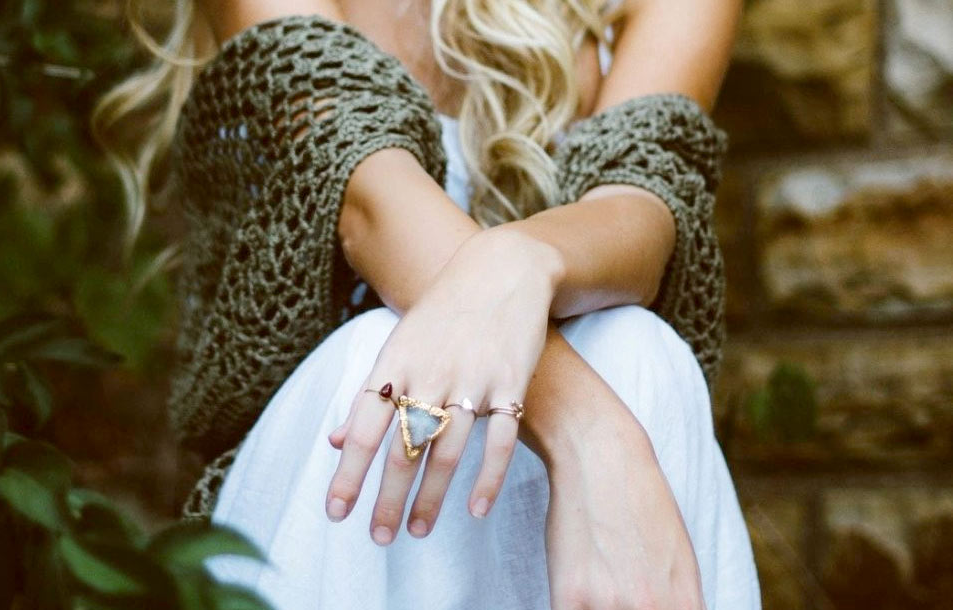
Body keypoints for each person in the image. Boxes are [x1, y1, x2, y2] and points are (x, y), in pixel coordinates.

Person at [94, 0, 761, 608]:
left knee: (636, 347)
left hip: (542, 473)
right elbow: (367, 201)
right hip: (335, 477)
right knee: (380, 354)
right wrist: (591, 433)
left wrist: (519, 261)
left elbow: (642, 214)